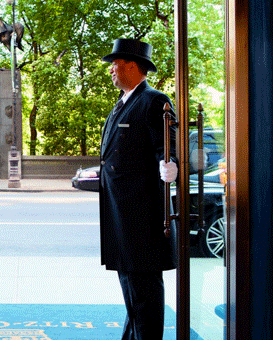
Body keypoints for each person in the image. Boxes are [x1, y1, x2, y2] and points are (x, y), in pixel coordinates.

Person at [99, 38, 178, 340]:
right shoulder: (124, 103)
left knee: (143, 289)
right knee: (131, 285)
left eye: (115, 65)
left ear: (132, 66)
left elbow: (170, 147)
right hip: (123, 212)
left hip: (141, 213)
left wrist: (172, 167)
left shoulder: (153, 100)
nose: (112, 71)